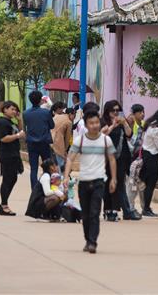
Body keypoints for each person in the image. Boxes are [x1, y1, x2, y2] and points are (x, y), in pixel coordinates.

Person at [63, 109, 116, 254]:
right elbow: (70, 158)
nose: (94, 125)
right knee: (85, 214)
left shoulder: (106, 140)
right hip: (84, 181)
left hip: (99, 181)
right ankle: (87, 239)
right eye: (91, 123)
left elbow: (112, 159)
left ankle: (93, 242)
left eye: (97, 122)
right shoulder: (80, 140)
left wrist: (114, 179)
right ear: (86, 124)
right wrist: (66, 176)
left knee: (94, 213)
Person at [100, 100, 138, 221]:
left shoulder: (122, 122)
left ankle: (118, 211)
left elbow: (129, 135)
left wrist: (125, 124)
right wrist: (112, 126)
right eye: (113, 110)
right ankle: (108, 210)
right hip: (107, 158)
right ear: (107, 111)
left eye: (118, 110)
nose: (116, 112)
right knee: (107, 184)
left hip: (121, 158)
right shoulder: (103, 122)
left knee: (119, 183)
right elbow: (101, 136)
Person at [138, 108, 158, 218]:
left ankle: (146, 207)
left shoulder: (149, 125)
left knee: (148, 184)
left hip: (147, 155)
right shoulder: (155, 129)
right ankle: (146, 208)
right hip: (152, 158)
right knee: (150, 185)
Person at [0, 101, 25, 216]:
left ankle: (4, 203)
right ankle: (4, 205)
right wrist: (17, 136)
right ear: (5, 110)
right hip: (7, 154)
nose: (14, 111)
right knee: (8, 179)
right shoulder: (3, 123)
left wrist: (19, 120)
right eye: (12, 109)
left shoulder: (10, 122)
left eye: (15, 109)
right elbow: (3, 138)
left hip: (14, 153)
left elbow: (19, 131)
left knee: (13, 178)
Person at [23, 90, 55, 188]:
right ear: (41, 100)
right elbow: (52, 125)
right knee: (47, 166)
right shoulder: (46, 112)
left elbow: (26, 127)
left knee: (33, 168)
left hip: (31, 143)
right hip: (44, 142)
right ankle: (47, 186)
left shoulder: (25, 113)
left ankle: (34, 189)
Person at [50, 102, 73, 174]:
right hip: (59, 145)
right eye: (74, 115)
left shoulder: (53, 117)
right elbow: (67, 138)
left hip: (49, 143)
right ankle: (59, 182)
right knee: (60, 166)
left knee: (52, 166)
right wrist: (65, 149)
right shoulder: (68, 121)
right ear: (70, 114)